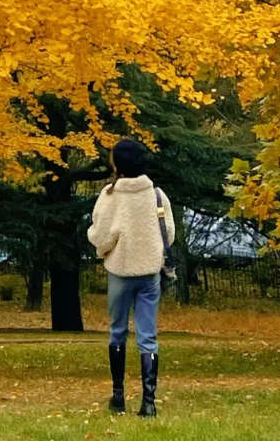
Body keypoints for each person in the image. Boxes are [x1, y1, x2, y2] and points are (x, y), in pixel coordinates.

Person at [87, 137, 174, 418]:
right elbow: (168, 234)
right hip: (150, 273)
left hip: (120, 273)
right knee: (148, 337)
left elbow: (101, 237)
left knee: (117, 332)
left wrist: (105, 248)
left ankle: (118, 397)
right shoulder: (158, 195)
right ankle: (149, 403)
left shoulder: (110, 196)